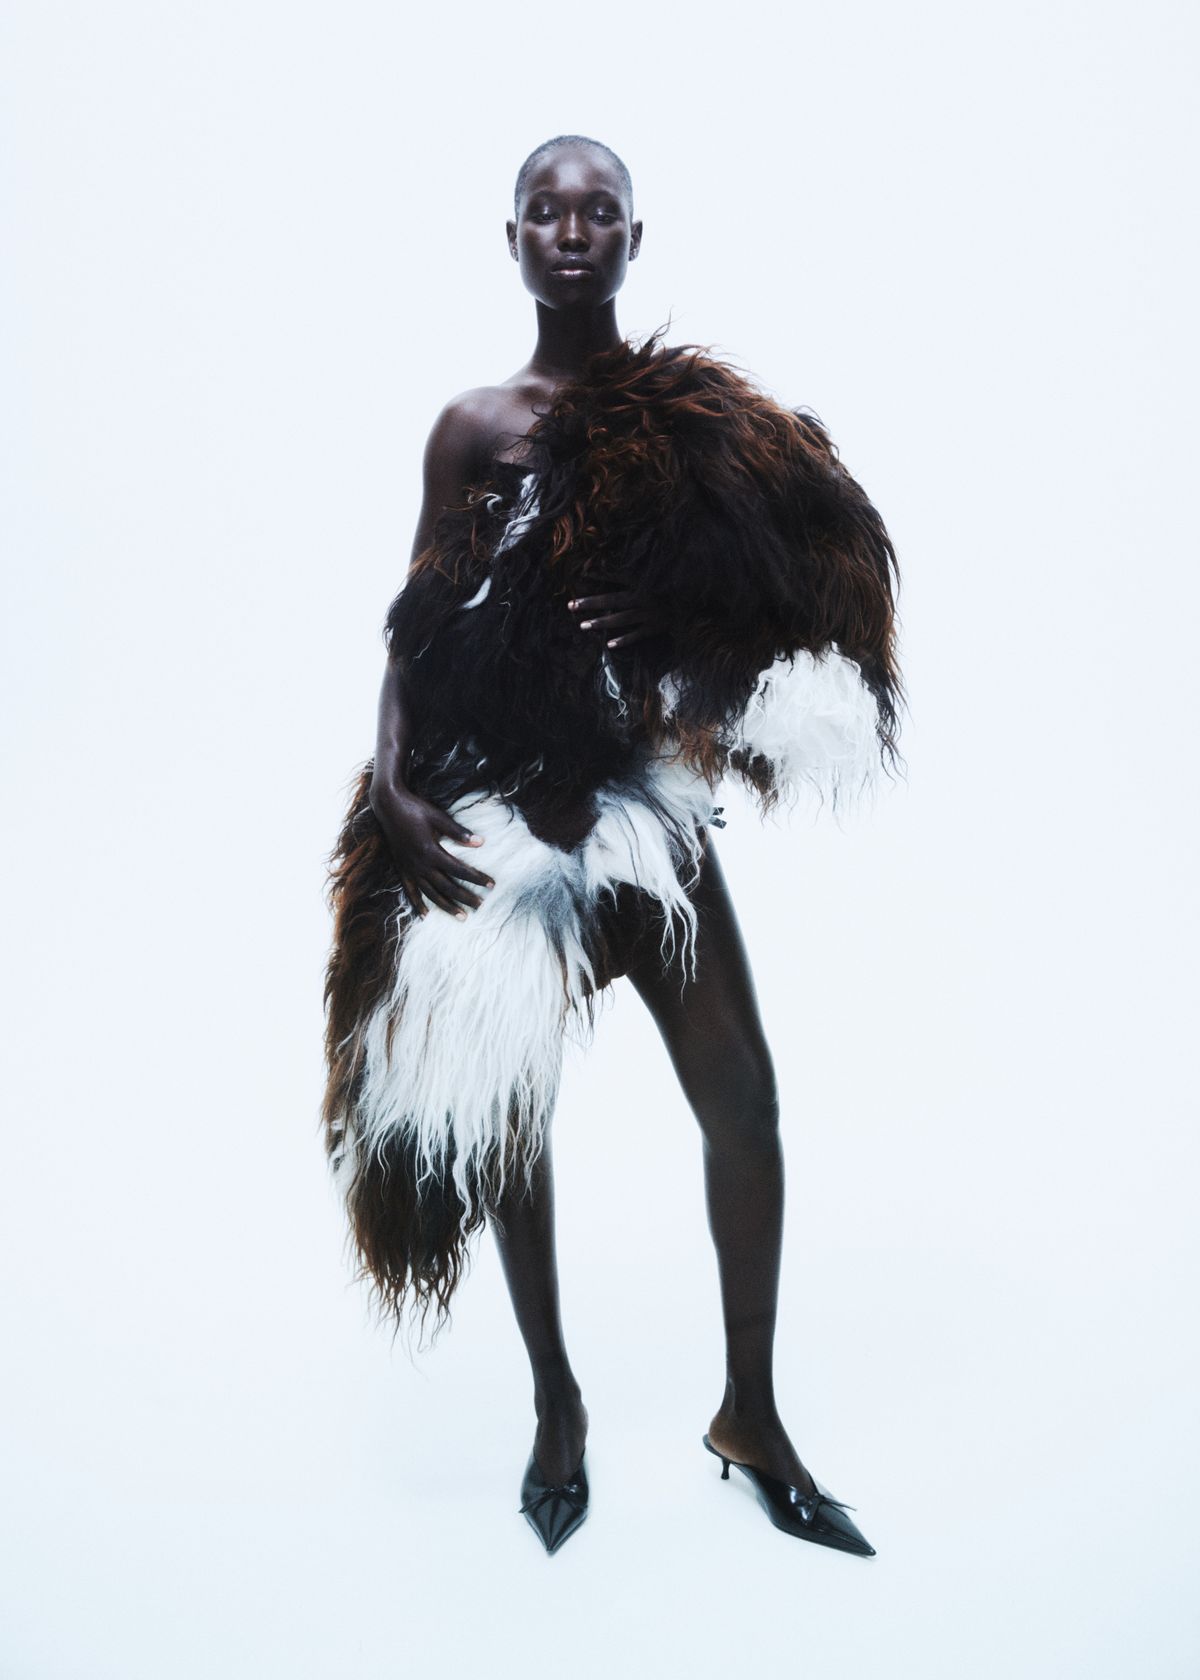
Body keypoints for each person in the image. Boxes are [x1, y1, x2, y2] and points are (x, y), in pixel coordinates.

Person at [321, 134, 904, 1558]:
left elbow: (789, 627)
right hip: (511, 821)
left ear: (636, 240)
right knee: (508, 1112)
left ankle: (749, 1413)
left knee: (745, 1105)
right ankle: (555, 1402)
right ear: (511, 238)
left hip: (649, 820)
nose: (571, 231)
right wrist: (396, 786)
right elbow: (414, 626)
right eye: (546, 211)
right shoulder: (473, 427)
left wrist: (694, 657)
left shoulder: (712, 434)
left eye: (599, 212)